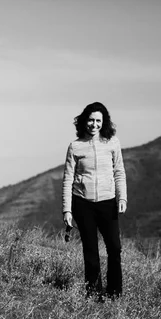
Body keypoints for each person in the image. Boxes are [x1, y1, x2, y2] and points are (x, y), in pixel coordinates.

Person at [62, 101, 127, 302]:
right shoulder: (75, 146)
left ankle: (114, 293)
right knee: (90, 250)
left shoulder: (113, 143)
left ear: (104, 122)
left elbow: (119, 172)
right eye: (91, 120)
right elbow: (67, 179)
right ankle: (94, 294)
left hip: (108, 202)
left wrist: (122, 196)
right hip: (82, 203)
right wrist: (67, 210)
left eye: (98, 120)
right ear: (84, 121)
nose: (94, 124)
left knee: (114, 247)